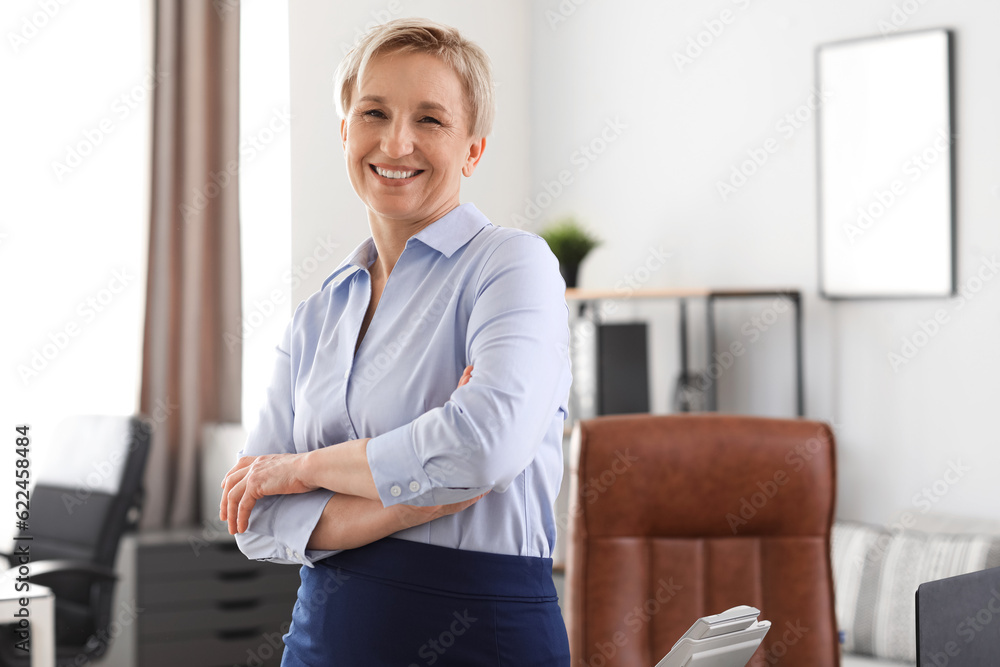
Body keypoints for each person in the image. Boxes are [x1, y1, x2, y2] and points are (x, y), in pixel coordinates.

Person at [219, 17, 573, 666]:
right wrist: (420, 495)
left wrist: (302, 469)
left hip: (479, 637)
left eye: (431, 120)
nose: (397, 140)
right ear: (346, 131)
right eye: (374, 112)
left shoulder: (511, 267)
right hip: (322, 641)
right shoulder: (317, 314)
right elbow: (256, 515)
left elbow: (483, 447)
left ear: (473, 149)